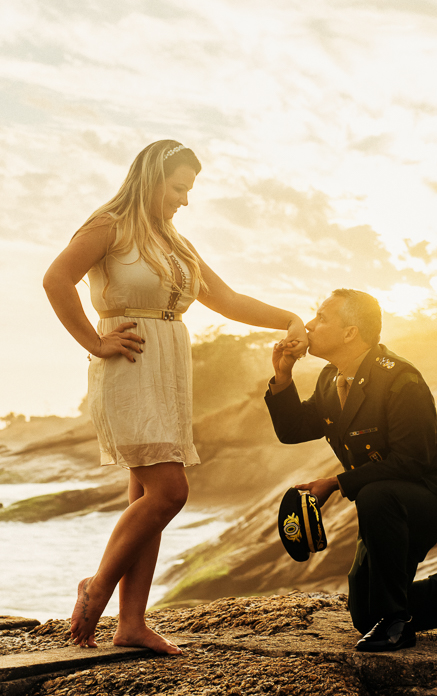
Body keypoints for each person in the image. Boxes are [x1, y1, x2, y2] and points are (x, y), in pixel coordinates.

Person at [43, 139, 307, 654]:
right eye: (179, 186)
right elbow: (57, 278)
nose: (186, 199)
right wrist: (95, 341)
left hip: (169, 375)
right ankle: (95, 590)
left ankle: (131, 624)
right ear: (150, 178)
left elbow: (227, 300)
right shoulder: (111, 224)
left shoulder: (177, 243)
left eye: (190, 189)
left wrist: (289, 317)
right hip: (129, 367)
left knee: (147, 498)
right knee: (170, 492)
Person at [265, 288, 437, 652]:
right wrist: (282, 376)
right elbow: (293, 430)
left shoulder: (400, 379)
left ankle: (398, 623)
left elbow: (412, 461)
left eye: (321, 317)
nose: (309, 325)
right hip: (389, 502)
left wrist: (335, 483)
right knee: (364, 614)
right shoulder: (331, 380)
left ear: (351, 333)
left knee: (374, 496)